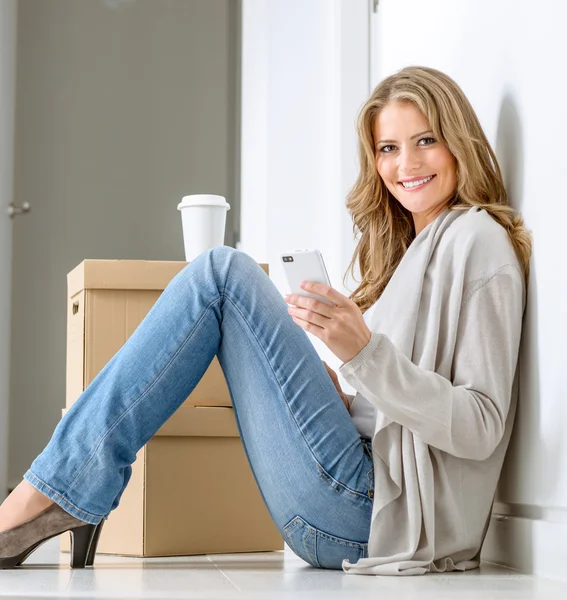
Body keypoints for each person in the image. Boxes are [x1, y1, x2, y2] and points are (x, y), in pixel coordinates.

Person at [0, 65, 532, 575]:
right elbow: (399, 413)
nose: (406, 164)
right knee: (219, 276)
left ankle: (51, 492)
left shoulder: (478, 242)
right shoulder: (416, 252)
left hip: (373, 519)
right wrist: (345, 401)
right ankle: (60, 488)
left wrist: (364, 355)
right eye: (388, 148)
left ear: (459, 140)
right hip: (362, 495)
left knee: (220, 273)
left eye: (426, 140)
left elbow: (482, 427)